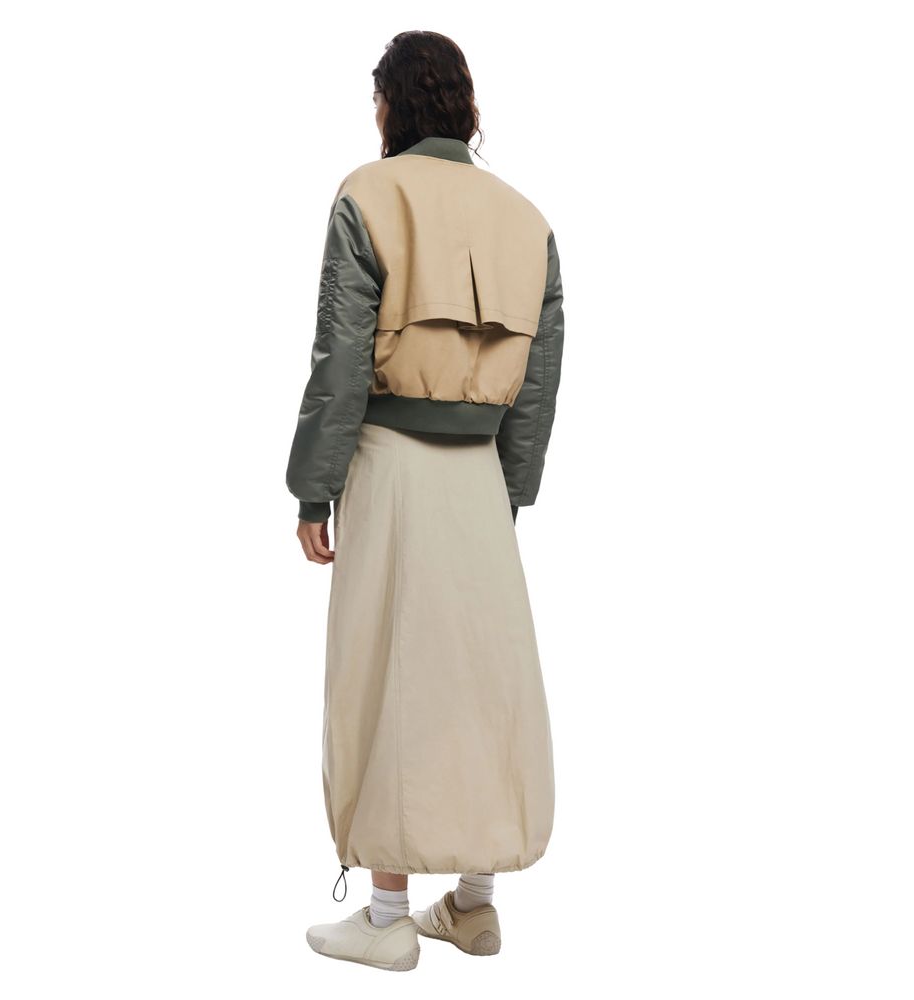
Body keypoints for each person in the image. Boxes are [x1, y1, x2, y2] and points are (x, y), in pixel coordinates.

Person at [285, 30, 565, 972]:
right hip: (479, 473)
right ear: (465, 106)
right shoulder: (527, 219)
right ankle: (475, 907)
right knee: (484, 678)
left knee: (386, 673)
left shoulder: (369, 195)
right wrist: (509, 492)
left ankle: (388, 915)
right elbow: (539, 381)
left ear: (391, 105)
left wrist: (313, 488)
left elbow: (340, 359)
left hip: (389, 460)